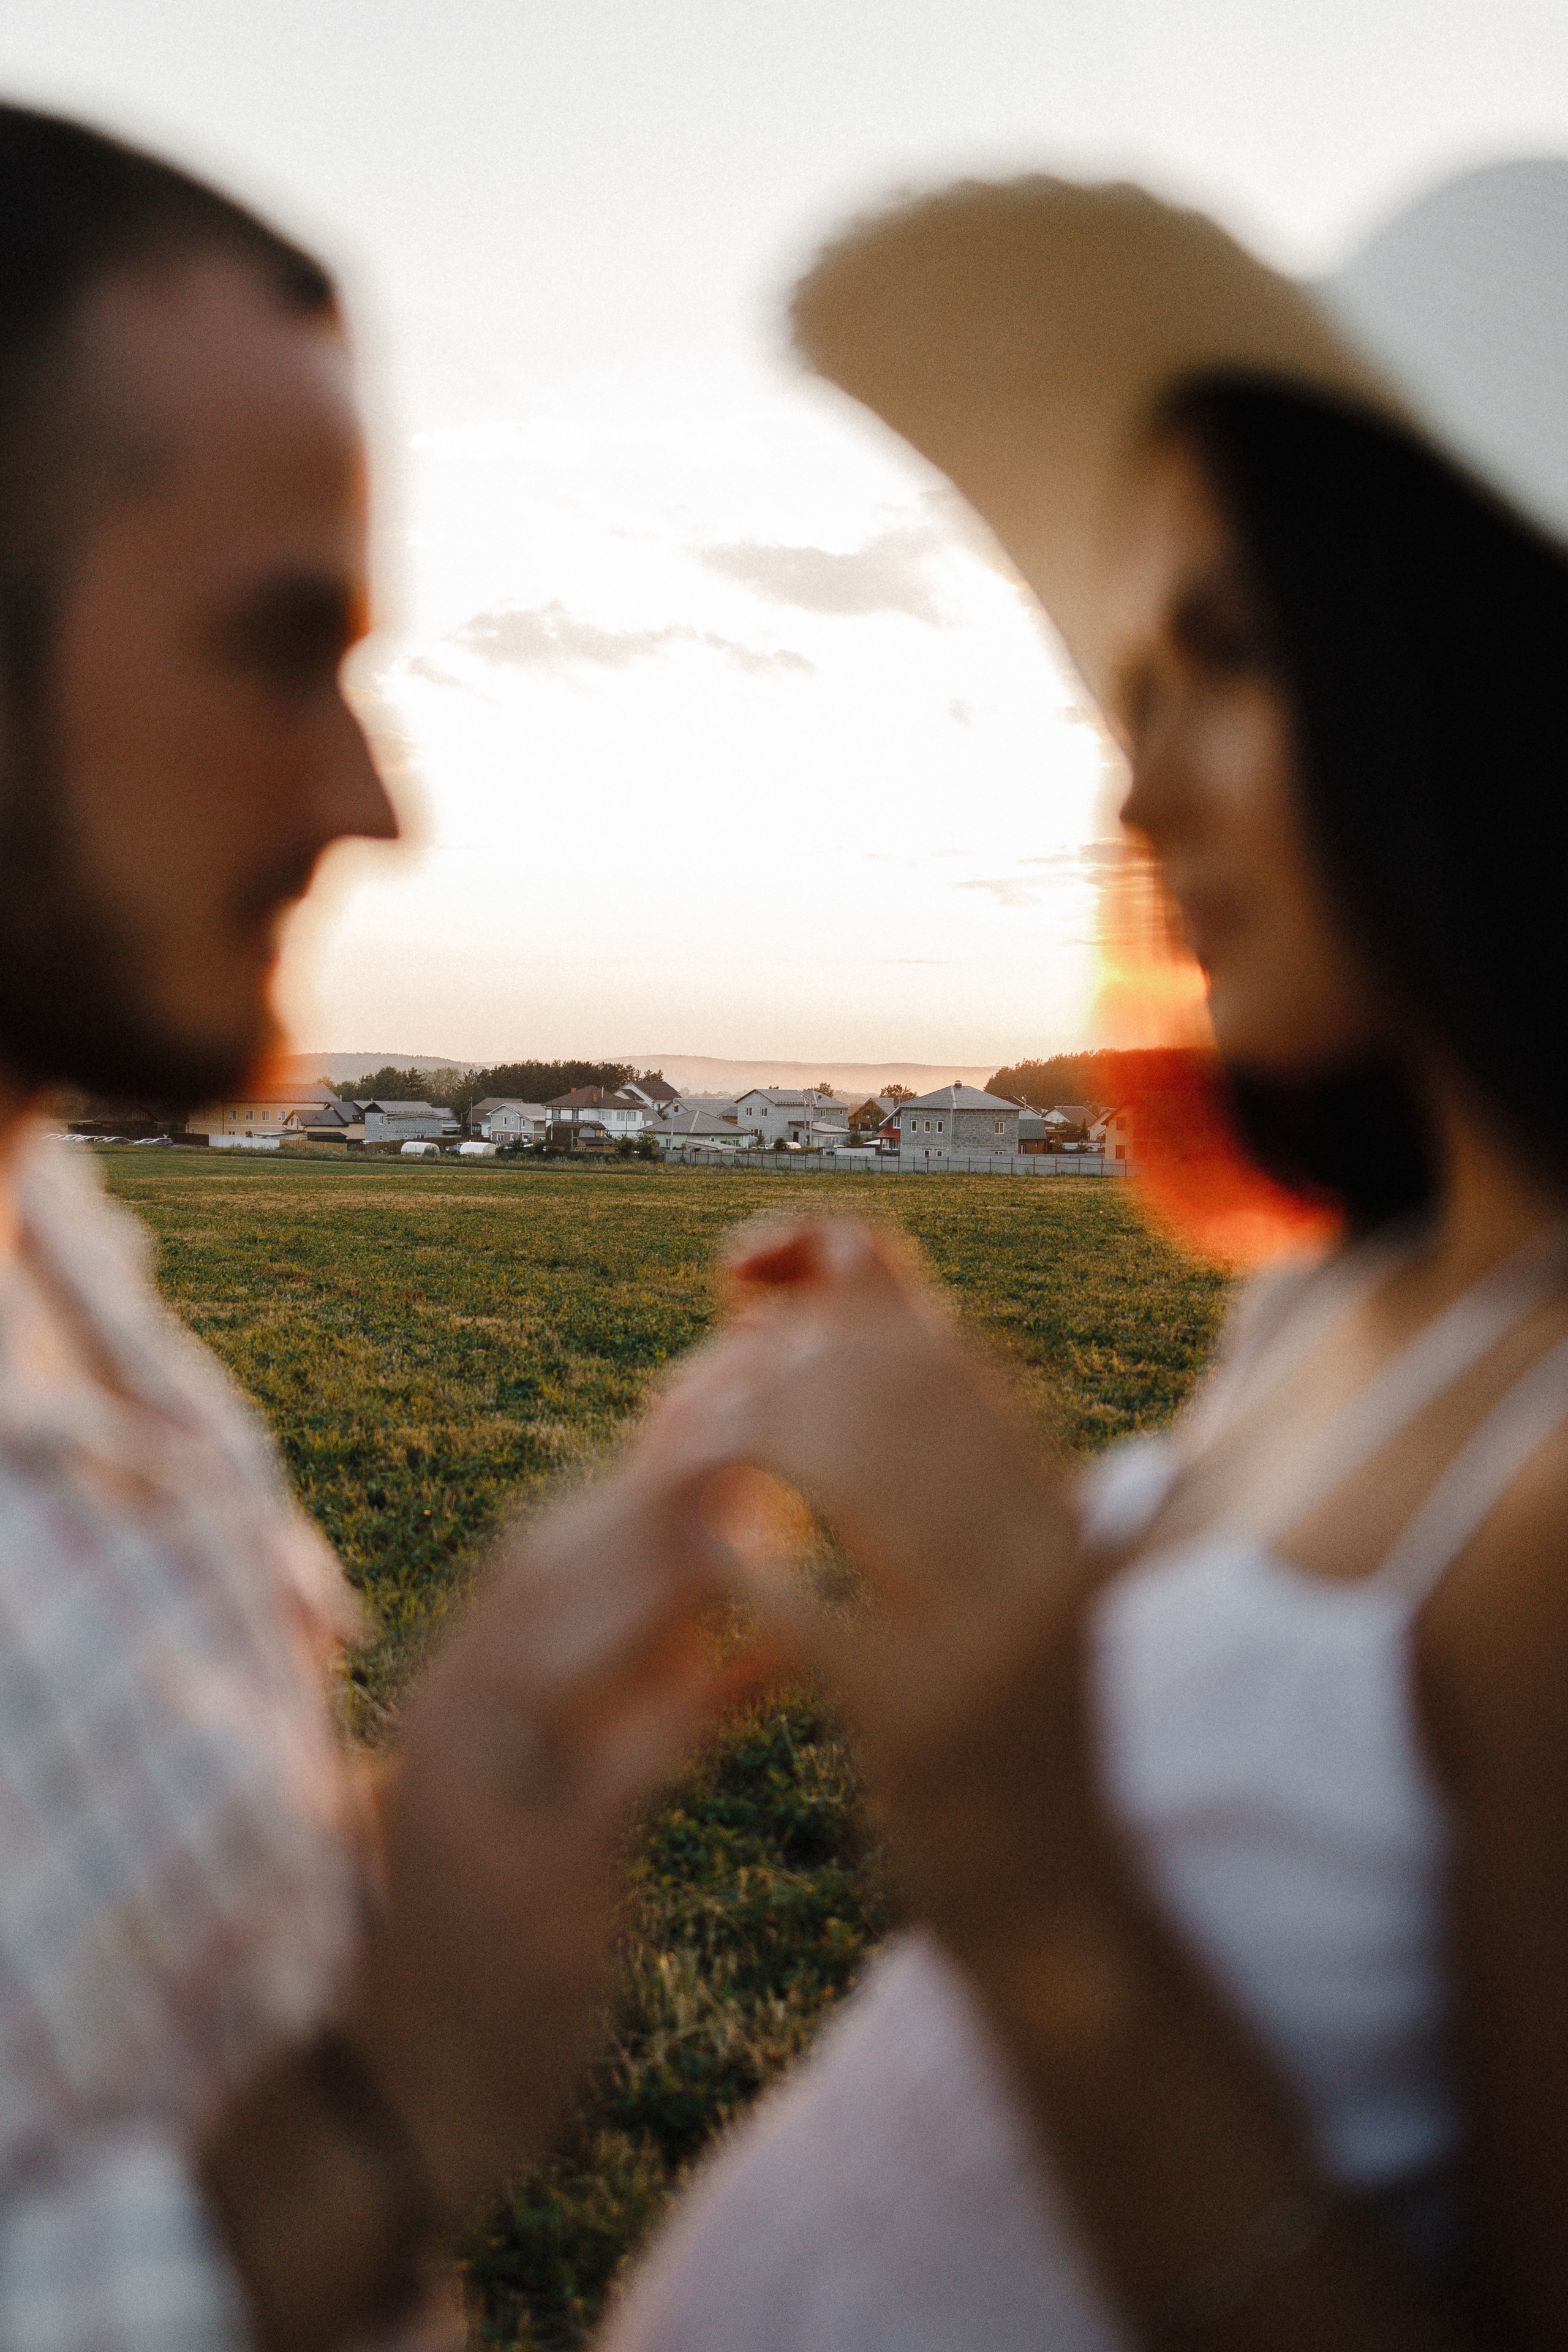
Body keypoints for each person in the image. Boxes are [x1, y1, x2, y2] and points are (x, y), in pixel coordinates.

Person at [600, 161, 1568, 2350]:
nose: (1139, 791)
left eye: (1230, 653)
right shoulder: (1348, 1299)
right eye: (1141, 674)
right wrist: (977, 1529)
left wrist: (1033, 1889)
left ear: (1487, 678)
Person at [0, 104, 752, 2352]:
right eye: (272, 647)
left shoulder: (49, 1223)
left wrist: (455, 1793)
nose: (370, 799)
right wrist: (397, 2099)